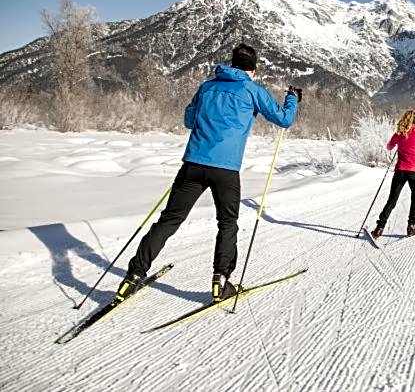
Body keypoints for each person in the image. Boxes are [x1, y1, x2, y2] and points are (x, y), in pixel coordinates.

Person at [115, 43, 301, 303]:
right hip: (225, 170)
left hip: (193, 164)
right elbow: (284, 119)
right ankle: (220, 281)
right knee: (227, 224)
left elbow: (189, 120)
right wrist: (292, 98)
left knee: (168, 221)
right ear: (252, 68)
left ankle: (133, 276)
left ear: (232, 63)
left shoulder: (207, 86)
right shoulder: (252, 89)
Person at [371, 109, 415, 239]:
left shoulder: (400, 133)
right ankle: (411, 227)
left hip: (400, 171)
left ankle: (379, 228)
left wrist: (399, 143)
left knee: (392, 200)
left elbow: (388, 147)